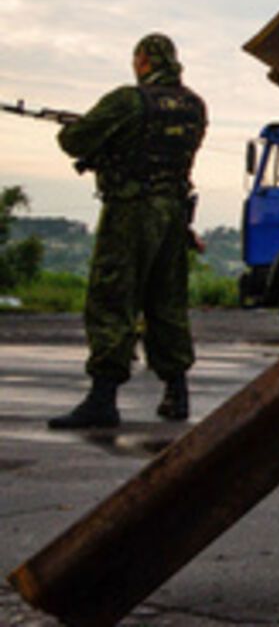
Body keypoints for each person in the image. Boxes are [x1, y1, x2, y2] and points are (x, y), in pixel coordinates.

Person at [48, 34, 207, 429]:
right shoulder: (193, 106)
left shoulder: (129, 100)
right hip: (173, 214)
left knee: (112, 298)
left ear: (143, 61)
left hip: (131, 211)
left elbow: (74, 140)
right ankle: (176, 393)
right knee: (167, 302)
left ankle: (103, 398)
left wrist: (84, 129)